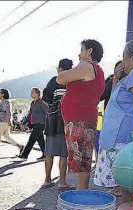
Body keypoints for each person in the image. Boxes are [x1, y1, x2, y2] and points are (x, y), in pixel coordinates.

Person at [94, 39, 133, 201]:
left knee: (127, 182)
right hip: (118, 135)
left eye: (124, 57)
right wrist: (115, 78)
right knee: (125, 186)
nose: (122, 61)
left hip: (122, 137)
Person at [58, 39, 105, 190]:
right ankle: (81, 190)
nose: (79, 54)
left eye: (82, 50)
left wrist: (80, 63)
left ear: (89, 51)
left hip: (79, 119)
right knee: (84, 159)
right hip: (86, 117)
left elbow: (60, 78)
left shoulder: (86, 66)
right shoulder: (98, 69)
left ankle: (81, 192)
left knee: (80, 159)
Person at [42, 58, 73, 189]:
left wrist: (55, 107)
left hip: (52, 119)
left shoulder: (54, 80)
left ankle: (47, 180)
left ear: (60, 69)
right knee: (63, 153)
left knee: (49, 151)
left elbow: (45, 99)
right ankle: (62, 181)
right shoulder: (73, 81)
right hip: (67, 119)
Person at [0, 89, 23, 156]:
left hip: (1, 122)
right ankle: (20, 147)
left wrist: (9, 121)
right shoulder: (3, 102)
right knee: (6, 136)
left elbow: (9, 112)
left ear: (3, 94)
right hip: (1, 121)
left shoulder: (6, 102)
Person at [18, 87, 47, 160]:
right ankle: (45, 154)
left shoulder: (41, 102)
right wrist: (23, 123)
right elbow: (30, 114)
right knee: (40, 140)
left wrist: (48, 123)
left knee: (32, 139)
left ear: (37, 93)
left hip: (41, 123)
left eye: (32, 92)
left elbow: (47, 112)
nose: (31, 94)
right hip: (35, 123)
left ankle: (24, 154)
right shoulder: (32, 103)